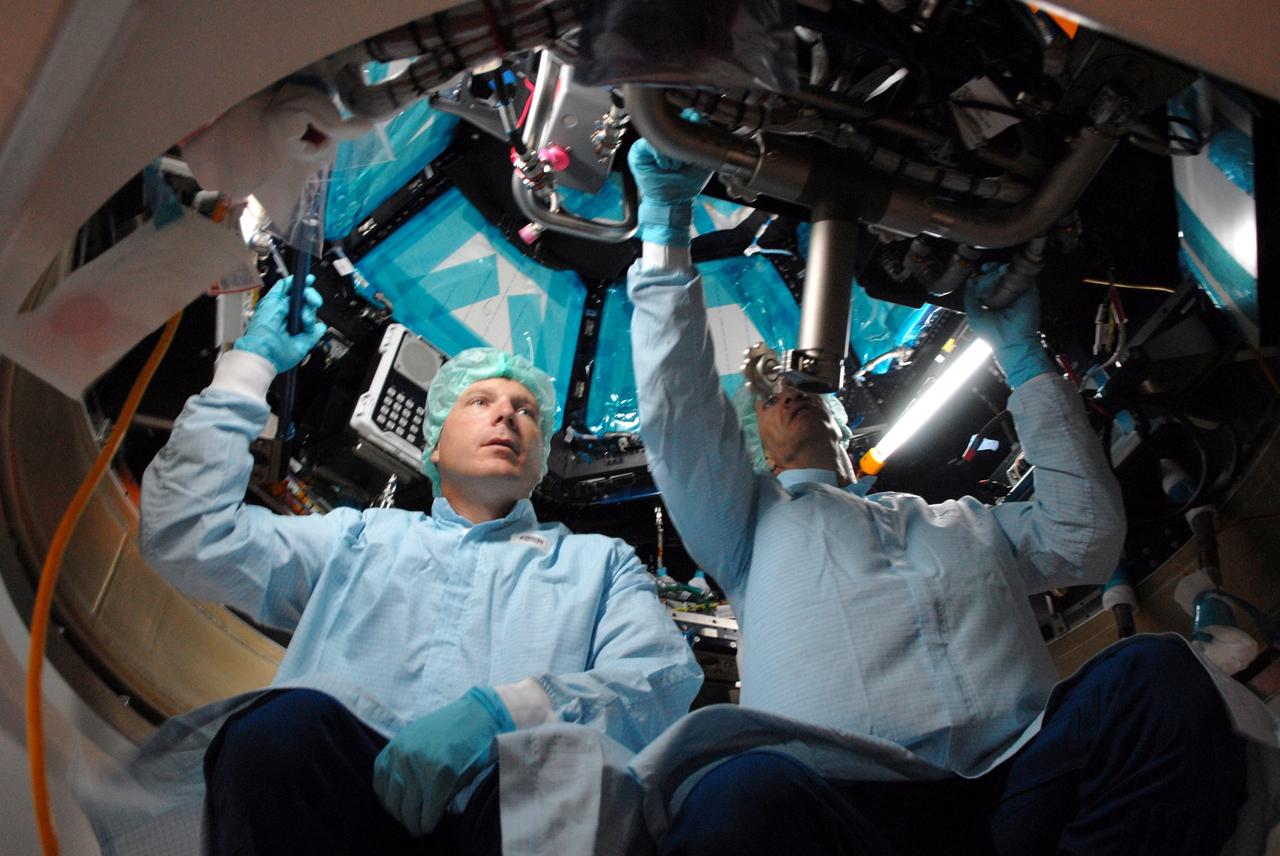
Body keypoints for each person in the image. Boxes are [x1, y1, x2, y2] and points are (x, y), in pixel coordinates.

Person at [621, 138, 1249, 855]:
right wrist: (666, 235)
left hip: (1022, 780)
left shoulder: (961, 522)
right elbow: (680, 414)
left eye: (806, 390)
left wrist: (1025, 361)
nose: (788, 392)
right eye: (770, 398)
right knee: (739, 797)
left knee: (1155, 678)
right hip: (848, 809)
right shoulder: (747, 527)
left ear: (844, 423)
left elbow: (1084, 537)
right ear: (756, 443)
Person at [117, 278, 701, 855]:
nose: (507, 417)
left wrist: (506, 712)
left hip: (508, 817)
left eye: (526, 412)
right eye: (480, 402)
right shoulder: (359, 539)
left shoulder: (598, 565)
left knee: (567, 776)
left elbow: (658, 680)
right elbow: (188, 534)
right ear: (435, 447)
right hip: (339, 811)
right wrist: (251, 365)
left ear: (540, 461)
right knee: (284, 728)